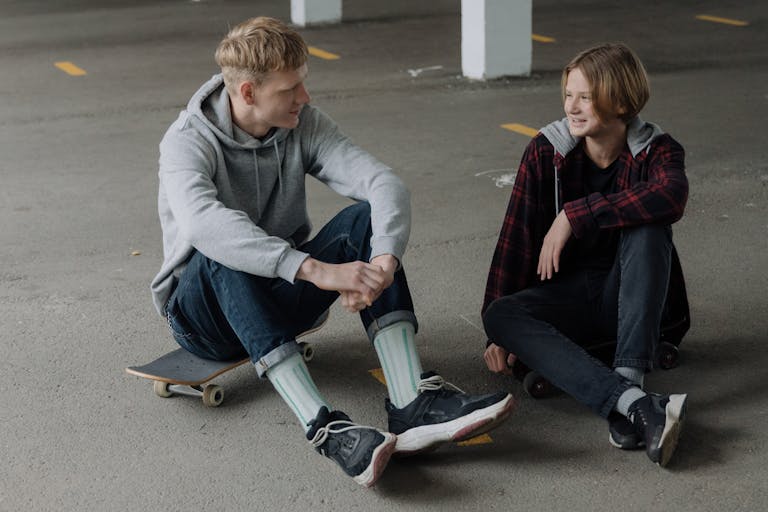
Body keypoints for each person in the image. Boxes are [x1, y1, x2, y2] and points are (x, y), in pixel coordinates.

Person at [151, 16, 514, 487]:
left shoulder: (301, 124)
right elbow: (205, 224)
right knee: (220, 249)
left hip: (279, 295)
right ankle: (325, 428)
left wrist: (383, 261)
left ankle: (411, 404)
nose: (305, 97)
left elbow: (383, 184)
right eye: (291, 88)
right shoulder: (186, 142)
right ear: (247, 93)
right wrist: (315, 269)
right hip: (204, 318)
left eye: (304, 83)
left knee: (366, 221)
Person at [481, 43, 690, 467]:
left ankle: (628, 375)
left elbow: (672, 195)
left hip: (634, 296)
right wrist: (497, 336)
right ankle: (635, 404)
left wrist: (576, 215)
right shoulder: (546, 151)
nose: (571, 107)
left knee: (650, 225)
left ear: (620, 100)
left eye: (586, 96)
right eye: (568, 95)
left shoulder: (657, 150)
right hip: (571, 294)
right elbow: (515, 238)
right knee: (500, 315)